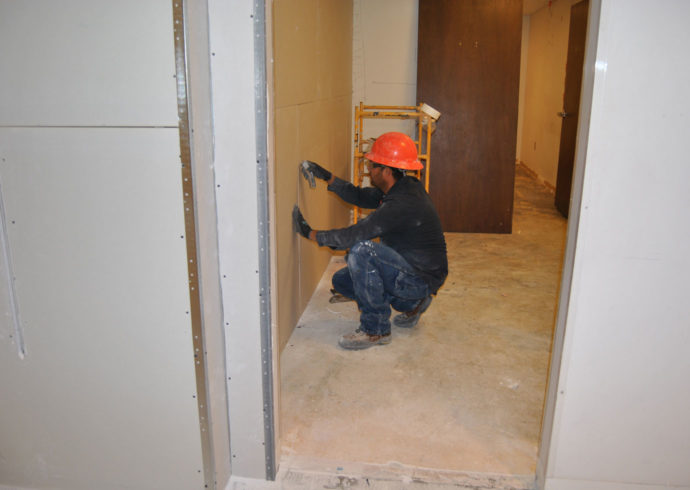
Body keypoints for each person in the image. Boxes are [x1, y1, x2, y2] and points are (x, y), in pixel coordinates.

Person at [293, 132, 448, 350]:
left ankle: (375, 330)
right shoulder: (402, 186)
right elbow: (360, 196)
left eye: (372, 165)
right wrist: (328, 177)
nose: (369, 170)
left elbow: (353, 236)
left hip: (419, 277)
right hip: (411, 267)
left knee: (362, 251)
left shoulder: (402, 204)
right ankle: (413, 304)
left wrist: (311, 233)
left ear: (386, 171)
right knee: (342, 282)